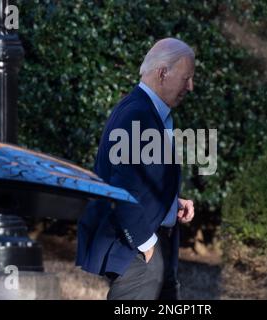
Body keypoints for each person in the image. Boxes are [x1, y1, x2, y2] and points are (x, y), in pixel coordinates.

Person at [76, 38, 195, 300]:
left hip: (152, 251)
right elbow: (119, 188)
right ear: (163, 73)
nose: (191, 86)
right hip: (139, 251)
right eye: (186, 77)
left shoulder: (149, 112)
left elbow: (141, 180)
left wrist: (171, 205)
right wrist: (146, 243)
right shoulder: (137, 114)